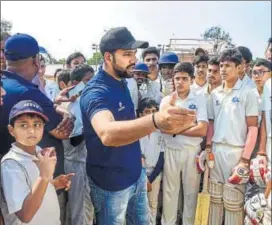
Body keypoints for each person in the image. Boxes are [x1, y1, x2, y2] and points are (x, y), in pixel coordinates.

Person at [80, 26, 196, 225]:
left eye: (134, 53)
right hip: (111, 185)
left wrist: (140, 164)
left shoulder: (123, 82)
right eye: (126, 54)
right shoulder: (95, 91)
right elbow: (107, 133)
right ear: (108, 57)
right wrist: (156, 120)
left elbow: (129, 123)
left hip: (136, 175)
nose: (134, 59)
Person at [0, 33, 74, 225]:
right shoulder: (28, 91)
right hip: (33, 184)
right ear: (35, 59)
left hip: (14, 182)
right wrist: (67, 114)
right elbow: (62, 131)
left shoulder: (3, 84)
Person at [206, 49, 259, 225]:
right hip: (216, 150)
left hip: (236, 153)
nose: (222, 69)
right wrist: (207, 148)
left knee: (233, 201)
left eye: (227, 66)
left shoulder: (248, 92)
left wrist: (244, 159)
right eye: (221, 65)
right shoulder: (214, 94)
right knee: (214, 198)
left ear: (239, 68)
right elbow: (211, 124)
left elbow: (253, 127)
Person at [1, 100, 74, 225]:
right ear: (11, 130)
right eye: (23, 125)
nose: (31, 131)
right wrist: (44, 176)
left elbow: (34, 189)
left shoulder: (39, 151)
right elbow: (24, 215)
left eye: (37, 125)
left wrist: (54, 184)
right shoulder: (11, 164)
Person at [160, 62, 208, 225]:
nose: (180, 82)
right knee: (169, 192)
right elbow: (164, 129)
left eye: (184, 78)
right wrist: (188, 126)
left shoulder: (199, 98)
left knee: (190, 194)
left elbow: (202, 129)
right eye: (177, 78)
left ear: (191, 79)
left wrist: (177, 129)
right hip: (171, 150)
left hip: (191, 151)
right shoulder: (166, 101)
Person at [62, 64, 94, 225]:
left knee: (84, 209)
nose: (92, 85)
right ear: (75, 83)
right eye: (87, 81)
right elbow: (75, 140)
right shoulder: (74, 103)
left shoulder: (83, 100)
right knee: (80, 211)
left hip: (84, 162)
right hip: (77, 163)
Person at [138, 97, 164, 225]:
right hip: (138, 175)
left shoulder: (160, 132)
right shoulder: (135, 131)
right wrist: (144, 178)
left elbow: (161, 158)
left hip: (154, 175)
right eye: (147, 112)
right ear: (140, 114)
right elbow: (137, 156)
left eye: (154, 111)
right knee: (138, 206)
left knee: (153, 205)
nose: (151, 115)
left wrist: (151, 179)